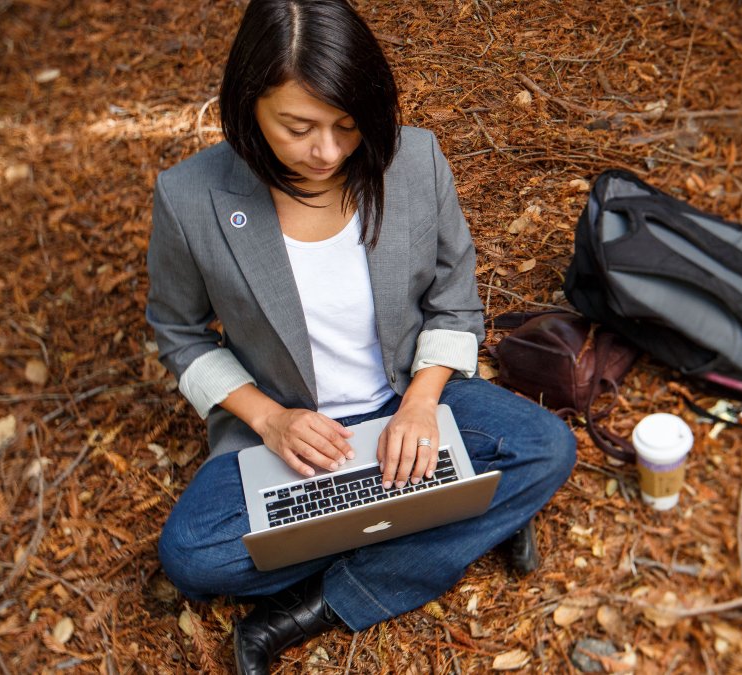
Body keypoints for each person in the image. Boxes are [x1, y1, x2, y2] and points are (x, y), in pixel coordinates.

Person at [145, 1, 576, 672]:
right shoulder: (190, 198)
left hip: (411, 398)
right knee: (191, 554)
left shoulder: (414, 161)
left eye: (348, 126)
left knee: (548, 448)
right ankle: (461, 517)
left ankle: (309, 608)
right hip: (295, 435)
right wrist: (273, 418)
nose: (327, 152)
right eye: (297, 127)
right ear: (247, 104)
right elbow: (177, 331)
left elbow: (454, 304)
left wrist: (422, 402)